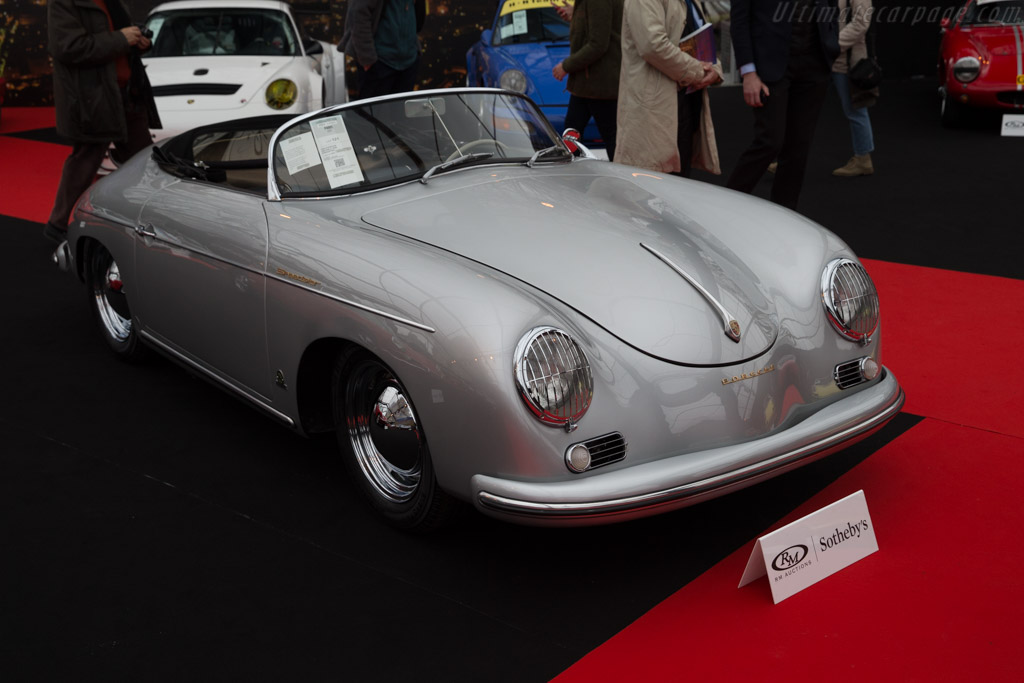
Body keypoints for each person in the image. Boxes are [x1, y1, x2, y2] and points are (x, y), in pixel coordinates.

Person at [44, 0, 160, 244]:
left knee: (144, 162)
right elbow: (68, 47)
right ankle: (57, 225)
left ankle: (149, 221)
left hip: (127, 93)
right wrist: (121, 39)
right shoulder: (62, 3)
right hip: (95, 97)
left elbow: (119, 38)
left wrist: (138, 43)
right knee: (86, 158)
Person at [726, 0, 839, 210]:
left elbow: (831, 8)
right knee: (770, 141)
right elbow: (740, 21)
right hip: (770, 66)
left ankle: (786, 214)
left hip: (815, 65)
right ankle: (725, 205)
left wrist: (831, 43)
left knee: (798, 147)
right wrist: (748, 72)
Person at [615, 0, 721, 175]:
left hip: (686, 101)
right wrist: (699, 72)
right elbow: (653, 46)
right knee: (654, 186)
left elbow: (703, 38)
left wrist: (716, 71)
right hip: (656, 107)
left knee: (679, 182)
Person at [551, 0, 624, 161]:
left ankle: (622, 182)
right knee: (572, 136)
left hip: (598, 84)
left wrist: (565, 66)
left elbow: (598, 44)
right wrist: (575, 13)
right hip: (589, 84)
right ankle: (576, 178)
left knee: (611, 141)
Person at [341, 0, 426, 100]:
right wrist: (368, 60)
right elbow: (358, 15)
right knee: (373, 113)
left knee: (400, 113)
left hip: (408, 62)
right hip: (380, 62)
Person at [831, 0, 876, 176]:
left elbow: (861, 23)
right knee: (805, 111)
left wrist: (832, 46)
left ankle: (863, 159)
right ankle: (789, 159)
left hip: (846, 63)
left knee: (855, 110)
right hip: (826, 59)